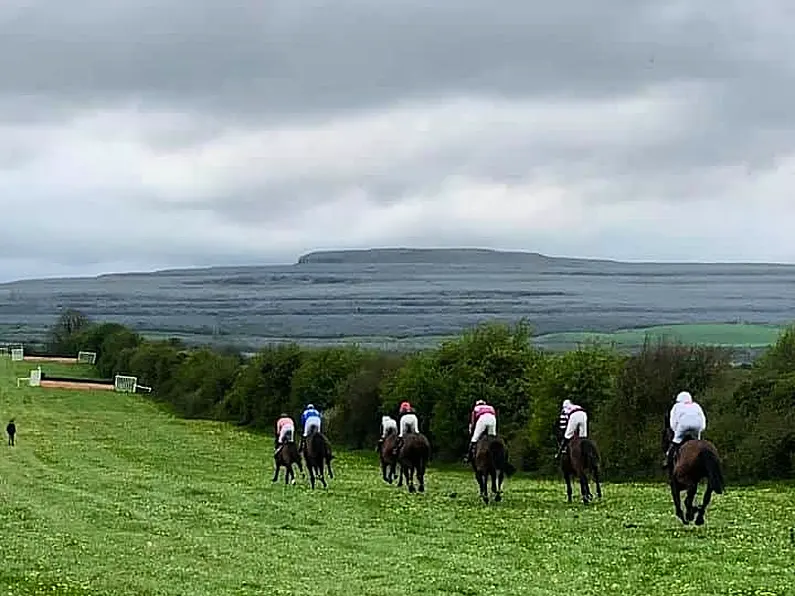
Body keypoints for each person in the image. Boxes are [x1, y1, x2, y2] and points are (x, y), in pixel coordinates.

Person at [664, 390, 707, 470]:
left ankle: (668, 460)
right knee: (698, 442)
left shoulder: (677, 406)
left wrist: (676, 431)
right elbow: (703, 418)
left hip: (683, 427)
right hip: (697, 428)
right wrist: (701, 429)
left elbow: (673, 421)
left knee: (675, 442)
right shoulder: (696, 405)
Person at [464, 399, 497, 463]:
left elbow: (473, 422)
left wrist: (471, 430)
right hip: (492, 419)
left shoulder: (476, 408)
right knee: (492, 438)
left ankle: (468, 456)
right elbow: (494, 416)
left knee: (474, 438)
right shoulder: (491, 407)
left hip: (482, 419)